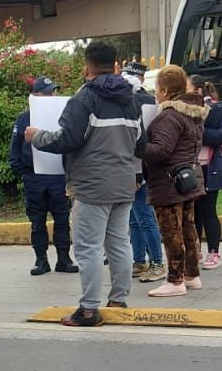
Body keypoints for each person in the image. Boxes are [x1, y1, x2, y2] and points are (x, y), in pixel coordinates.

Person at [25, 42, 140, 324]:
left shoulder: (84, 98)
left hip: (92, 185)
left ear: (87, 67)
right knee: (119, 243)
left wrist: (37, 136)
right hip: (124, 183)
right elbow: (142, 144)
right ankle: (119, 300)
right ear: (116, 66)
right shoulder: (131, 100)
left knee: (88, 248)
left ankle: (89, 310)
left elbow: (68, 139)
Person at [140, 65, 207, 298]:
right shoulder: (193, 112)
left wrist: (138, 145)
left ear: (166, 90)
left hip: (167, 181)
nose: (156, 93)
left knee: (171, 231)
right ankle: (191, 274)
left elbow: (160, 151)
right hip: (187, 178)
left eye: (157, 88)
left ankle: (175, 280)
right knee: (188, 227)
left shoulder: (168, 116)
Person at [11, 76, 78, 277]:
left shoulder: (62, 116)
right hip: (34, 178)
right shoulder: (24, 119)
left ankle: (64, 259)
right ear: (36, 95)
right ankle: (41, 260)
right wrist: (24, 174)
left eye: (53, 92)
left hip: (58, 177)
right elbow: (15, 151)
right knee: (37, 222)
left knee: (62, 220)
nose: (52, 96)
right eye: (48, 93)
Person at [122, 62, 167, 284]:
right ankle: (139, 260)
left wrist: (137, 173)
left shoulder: (140, 103)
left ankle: (157, 262)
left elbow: (140, 140)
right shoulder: (147, 100)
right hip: (134, 168)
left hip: (138, 169)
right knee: (134, 218)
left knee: (144, 217)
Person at [190, 76, 222, 271]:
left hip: (210, 168)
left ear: (198, 90)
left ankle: (214, 252)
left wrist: (199, 132)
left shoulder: (215, 109)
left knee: (208, 211)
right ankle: (195, 250)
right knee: (193, 213)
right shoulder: (182, 108)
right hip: (190, 167)